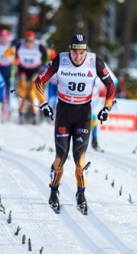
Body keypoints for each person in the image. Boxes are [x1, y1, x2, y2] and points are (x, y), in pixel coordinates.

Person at [33, 34, 116, 214]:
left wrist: (106, 108)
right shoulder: (60, 60)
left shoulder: (95, 62)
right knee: (60, 156)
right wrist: (44, 104)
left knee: (80, 159)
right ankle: (53, 192)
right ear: (69, 50)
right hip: (63, 113)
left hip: (83, 114)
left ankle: (81, 194)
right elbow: (38, 81)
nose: (78, 56)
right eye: (74, 52)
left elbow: (111, 86)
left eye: (81, 52)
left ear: (86, 51)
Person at [4, 31, 48, 124]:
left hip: (35, 69)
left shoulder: (39, 45)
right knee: (23, 91)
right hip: (23, 69)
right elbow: (6, 55)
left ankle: (35, 114)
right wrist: (11, 46)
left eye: (31, 41)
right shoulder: (20, 44)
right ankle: (21, 113)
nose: (29, 43)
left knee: (33, 91)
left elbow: (50, 54)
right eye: (27, 41)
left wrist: (49, 48)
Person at [91, 63, 118, 151]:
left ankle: (94, 141)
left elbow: (114, 81)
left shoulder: (99, 64)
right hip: (79, 101)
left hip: (93, 102)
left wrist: (107, 95)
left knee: (94, 119)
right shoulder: (78, 65)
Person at [0, 29, 13, 121]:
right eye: (3, 38)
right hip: (1, 68)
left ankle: (6, 108)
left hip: (9, 69)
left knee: (8, 88)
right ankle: (2, 106)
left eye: (6, 38)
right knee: (1, 87)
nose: (4, 40)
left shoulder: (11, 46)